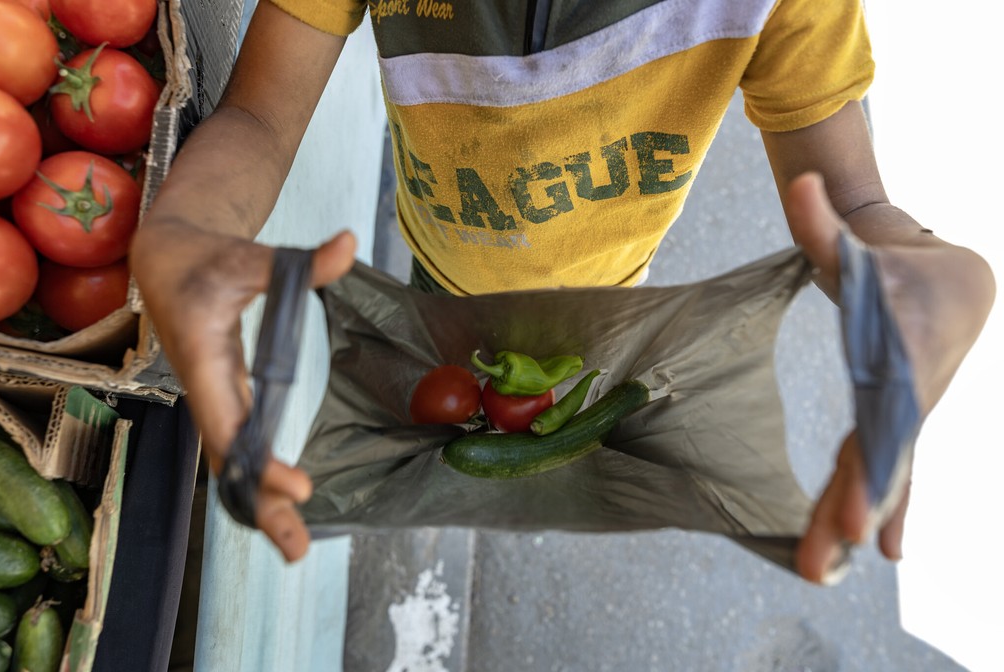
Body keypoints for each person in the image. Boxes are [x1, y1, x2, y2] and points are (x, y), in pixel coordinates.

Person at [130, 0, 995, 583]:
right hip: (444, 265)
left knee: (566, 400)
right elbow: (259, 115)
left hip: (609, 288)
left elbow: (852, 200)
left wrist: (902, 260)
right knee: (450, 377)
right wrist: (191, 226)